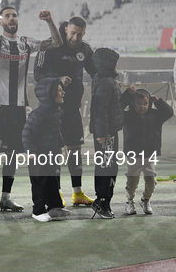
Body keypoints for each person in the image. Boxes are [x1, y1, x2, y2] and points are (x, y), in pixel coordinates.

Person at [0, 6, 63, 213]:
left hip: (20, 108)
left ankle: (6, 198)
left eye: (14, 15)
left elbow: (57, 43)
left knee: (12, 154)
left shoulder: (26, 43)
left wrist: (49, 20)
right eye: (7, 16)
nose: (11, 18)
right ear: (0, 22)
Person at [34, 16, 96, 207]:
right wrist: (58, 79)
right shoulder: (51, 46)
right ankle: (56, 193)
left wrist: (110, 79)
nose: (75, 37)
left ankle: (77, 193)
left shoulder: (85, 49)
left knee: (75, 150)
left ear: (84, 33)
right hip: (52, 109)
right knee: (55, 152)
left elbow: (95, 72)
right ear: (66, 29)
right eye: (73, 33)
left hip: (73, 109)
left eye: (79, 34)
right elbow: (38, 75)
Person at [23, 78, 71, 222]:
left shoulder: (58, 111)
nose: (63, 93)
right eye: (59, 90)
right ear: (49, 93)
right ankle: (38, 211)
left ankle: (54, 207)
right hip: (38, 155)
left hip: (51, 154)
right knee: (40, 182)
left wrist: (59, 147)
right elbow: (27, 133)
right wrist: (30, 151)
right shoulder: (38, 114)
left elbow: (57, 131)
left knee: (53, 181)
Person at [121, 86, 173, 215]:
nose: (142, 106)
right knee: (132, 179)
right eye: (139, 103)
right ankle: (129, 200)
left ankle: (146, 199)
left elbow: (169, 112)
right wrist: (128, 95)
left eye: (145, 103)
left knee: (151, 179)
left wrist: (158, 102)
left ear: (149, 103)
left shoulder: (155, 115)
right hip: (133, 153)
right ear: (133, 103)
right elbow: (117, 108)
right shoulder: (127, 115)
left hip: (149, 153)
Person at [90, 48, 123, 219]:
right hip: (106, 134)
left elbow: (114, 106)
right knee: (106, 168)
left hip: (110, 132)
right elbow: (99, 109)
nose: (117, 64)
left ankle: (103, 200)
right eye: (114, 61)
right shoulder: (104, 82)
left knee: (110, 167)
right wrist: (101, 133)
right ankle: (103, 203)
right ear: (108, 64)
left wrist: (127, 94)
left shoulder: (107, 81)